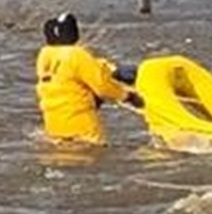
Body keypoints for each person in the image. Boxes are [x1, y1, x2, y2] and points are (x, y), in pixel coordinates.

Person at [35, 12, 141, 144]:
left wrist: (108, 69)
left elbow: (68, 77)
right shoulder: (78, 55)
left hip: (53, 123)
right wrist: (128, 96)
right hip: (80, 122)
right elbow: (102, 86)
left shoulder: (45, 55)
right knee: (93, 155)